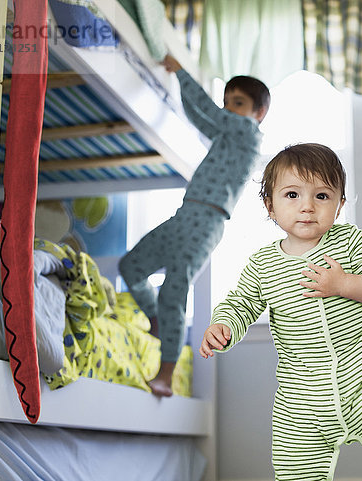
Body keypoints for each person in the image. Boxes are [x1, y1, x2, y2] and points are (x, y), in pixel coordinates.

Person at [200, 143, 362, 480]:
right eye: (292, 195)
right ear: (270, 205)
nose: (307, 206)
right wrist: (223, 325)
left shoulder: (351, 242)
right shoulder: (263, 264)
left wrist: (345, 285)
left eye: (322, 196)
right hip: (301, 398)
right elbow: (242, 303)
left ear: (339, 205)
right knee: (294, 470)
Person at [119, 54, 270, 397]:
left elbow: (210, 113)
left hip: (207, 221)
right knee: (131, 265)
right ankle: (156, 319)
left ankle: (166, 374)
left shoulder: (248, 135)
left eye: (239, 103)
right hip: (185, 214)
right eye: (227, 102)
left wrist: (183, 74)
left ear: (257, 113)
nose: (230, 109)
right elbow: (199, 115)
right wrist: (181, 85)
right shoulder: (224, 136)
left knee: (174, 290)